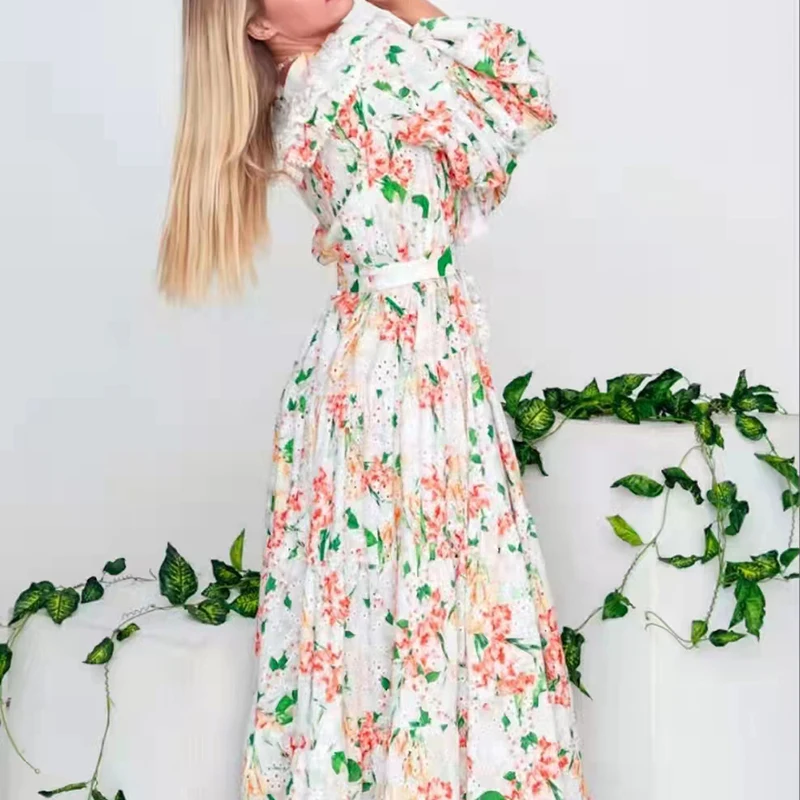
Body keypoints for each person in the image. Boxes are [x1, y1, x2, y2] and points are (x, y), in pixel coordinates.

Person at [158, 1, 590, 797]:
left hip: (379, 361)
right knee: (434, 588)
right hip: (404, 366)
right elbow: (520, 98)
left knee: (375, 603)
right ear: (257, 26)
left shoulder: (310, 89)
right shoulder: (362, 68)